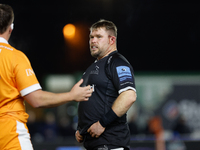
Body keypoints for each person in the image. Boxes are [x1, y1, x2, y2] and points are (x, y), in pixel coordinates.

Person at [0, 4, 93, 150]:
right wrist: (71, 95)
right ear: (11, 28)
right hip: (9, 135)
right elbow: (36, 100)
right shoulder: (15, 57)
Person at [75, 19, 137, 150]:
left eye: (98, 37)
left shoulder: (117, 62)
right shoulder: (93, 67)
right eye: (91, 37)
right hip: (93, 144)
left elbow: (129, 95)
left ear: (111, 40)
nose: (93, 41)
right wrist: (81, 129)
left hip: (110, 143)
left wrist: (102, 123)